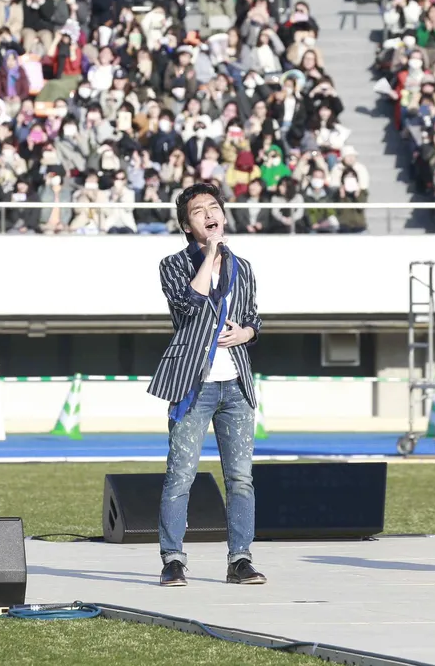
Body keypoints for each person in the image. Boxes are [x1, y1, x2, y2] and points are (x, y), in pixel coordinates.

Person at [150, 183, 265, 587]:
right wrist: (212, 253)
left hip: (235, 385)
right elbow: (190, 304)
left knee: (241, 478)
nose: (209, 215)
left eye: (214, 208)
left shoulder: (244, 267)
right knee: (180, 476)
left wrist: (246, 333)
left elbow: (256, 318)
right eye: (199, 212)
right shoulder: (173, 265)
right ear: (186, 224)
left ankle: (240, 559)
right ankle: (174, 560)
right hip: (192, 385)